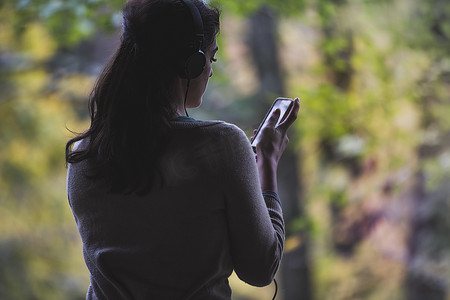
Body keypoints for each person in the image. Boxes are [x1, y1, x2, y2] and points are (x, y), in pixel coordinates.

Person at [65, 0, 300, 299]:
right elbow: (260, 268)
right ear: (191, 62)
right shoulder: (221, 145)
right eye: (210, 58)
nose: (210, 71)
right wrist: (267, 160)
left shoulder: (83, 156)